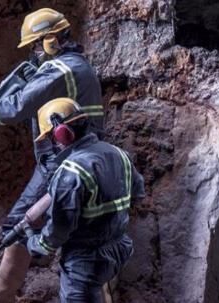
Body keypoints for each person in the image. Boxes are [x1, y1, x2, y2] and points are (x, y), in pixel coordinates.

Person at [0, 7, 105, 303]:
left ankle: (2, 293)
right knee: (37, 224)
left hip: (63, 162)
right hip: (72, 156)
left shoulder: (61, 70)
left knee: (18, 224)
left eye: (36, 44)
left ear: (50, 40)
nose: (35, 52)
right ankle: (20, 275)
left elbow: (20, 105)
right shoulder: (75, 66)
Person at [26, 98, 145, 303]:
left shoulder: (70, 173)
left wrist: (35, 242)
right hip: (117, 250)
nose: (55, 143)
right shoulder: (119, 154)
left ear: (61, 132)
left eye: (52, 137)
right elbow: (137, 194)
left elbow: (58, 231)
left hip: (85, 263)